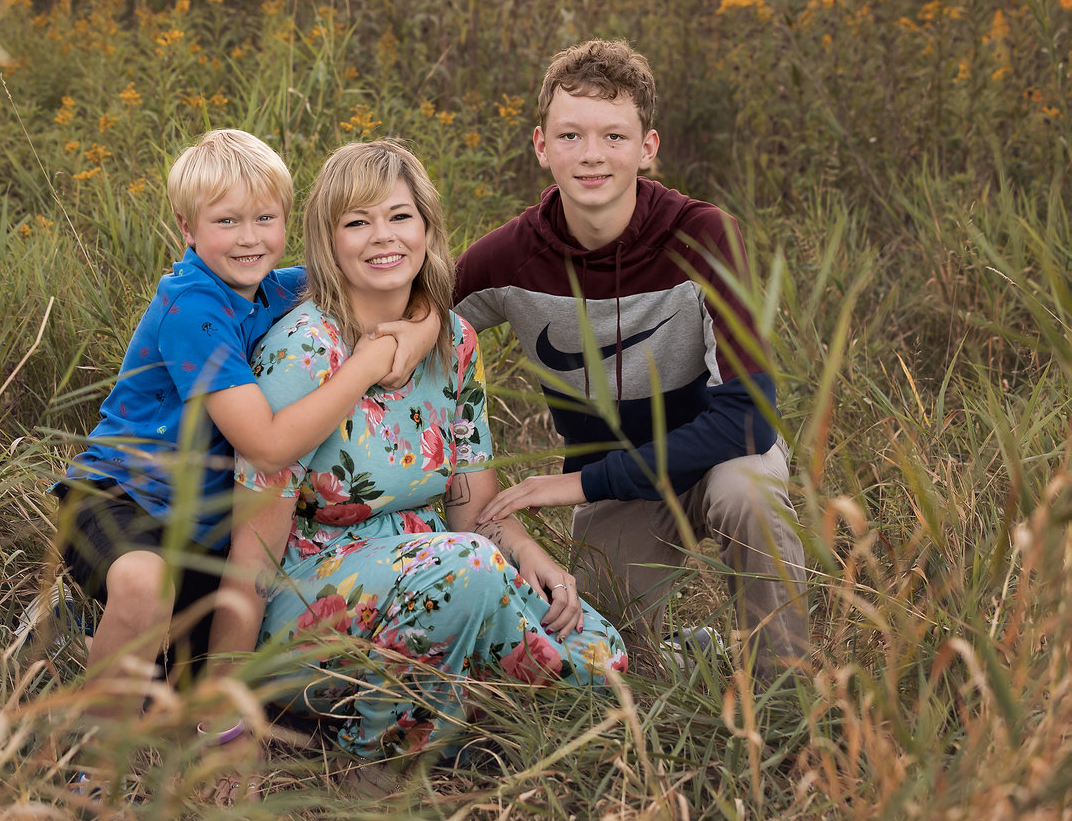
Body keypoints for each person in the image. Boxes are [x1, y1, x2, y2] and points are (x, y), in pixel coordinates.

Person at [209, 140, 627, 795]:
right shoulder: (301, 350)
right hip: (307, 613)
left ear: (427, 227)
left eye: (400, 217)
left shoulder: (455, 341)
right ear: (329, 240)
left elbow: (473, 506)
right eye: (357, 221)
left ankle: (450, 726)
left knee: (601, 655)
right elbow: (251, 553)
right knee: (469, 574)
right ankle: (372, 766)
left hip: (433, 574)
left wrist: (528, 554)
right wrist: (221, 708)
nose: (383, 237)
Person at [53, 130, 439, 768]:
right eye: (226, 221)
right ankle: (93, 763)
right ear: (186, 226)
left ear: (288, 221)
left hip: (204, 527)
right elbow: (264, 447)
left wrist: (421, 328)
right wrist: (368, 362)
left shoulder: (273, 286)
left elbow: (400, 278)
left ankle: (79, 630)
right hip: (124, 498)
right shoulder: (193, 307)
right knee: (148, 589)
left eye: (265, 218)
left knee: (220, 673)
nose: (250, 238)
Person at [453, 39, 808, 683]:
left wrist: (575, 485)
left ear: (647, 147)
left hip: (716, 457)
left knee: (750, 496)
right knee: (606, 664)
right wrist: (261, 280)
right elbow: (404, 308)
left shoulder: (702, 236)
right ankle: (690, 652)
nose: (592, 155)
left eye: (614, 136)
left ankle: (784, 699)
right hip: (618, 486)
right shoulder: (508, 259)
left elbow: (751, 418)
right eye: (570, 135)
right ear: (541, 145)